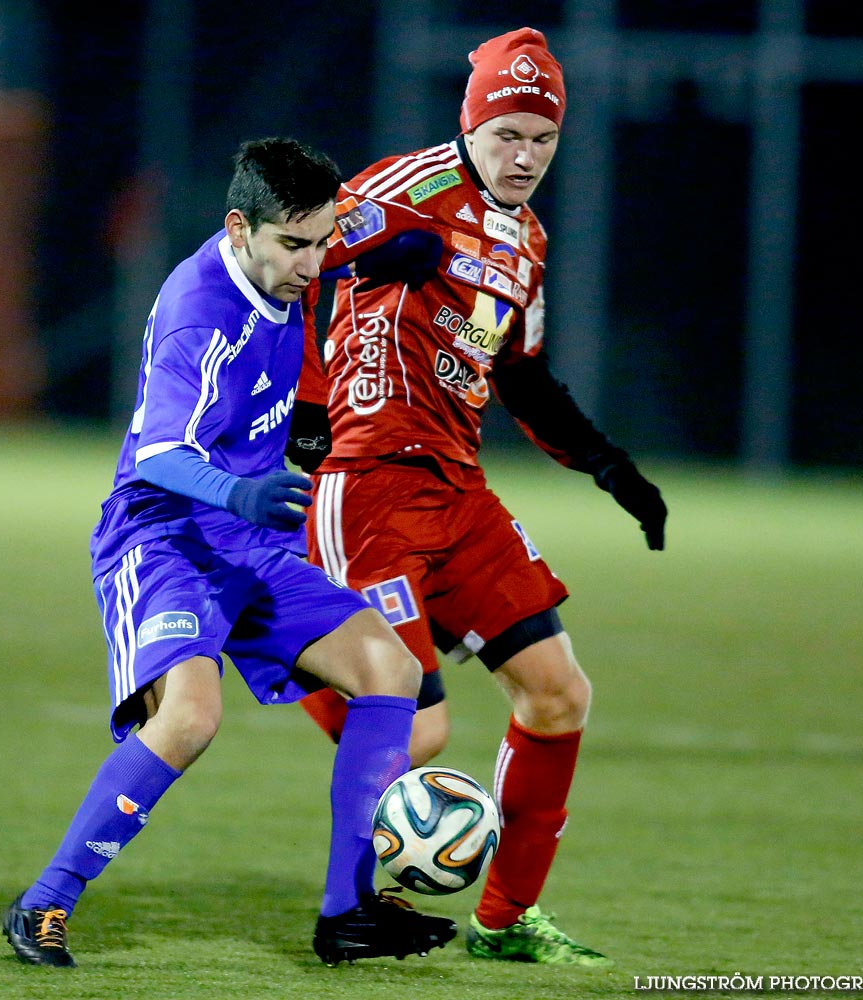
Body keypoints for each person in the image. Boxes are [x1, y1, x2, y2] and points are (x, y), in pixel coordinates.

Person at [2, 137, 457, 969]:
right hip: (165, 534)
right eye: (294, 245)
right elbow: (160, 458)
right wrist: (241, 490)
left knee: (389, 671)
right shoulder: (199, 309)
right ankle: (44, 903)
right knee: (190, 719)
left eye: (323, 241)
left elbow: (414, 238)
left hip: (249, 542)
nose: (311, 263)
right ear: (238, 228)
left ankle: (346, 913)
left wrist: (395, 251)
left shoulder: (300, 246)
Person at [291, 28, 667, 966]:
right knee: (417, 728)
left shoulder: (526, 240)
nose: (525, 155)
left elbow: (522, 376)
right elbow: (291, 257)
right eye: (507, 132)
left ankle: (501, 923)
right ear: (474, 124)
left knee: (556, 695)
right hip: (368, 483)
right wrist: (304, 403)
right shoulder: (402, 192)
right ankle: (289, 660)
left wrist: (607, 464)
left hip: (459, 490)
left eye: (541, 137)